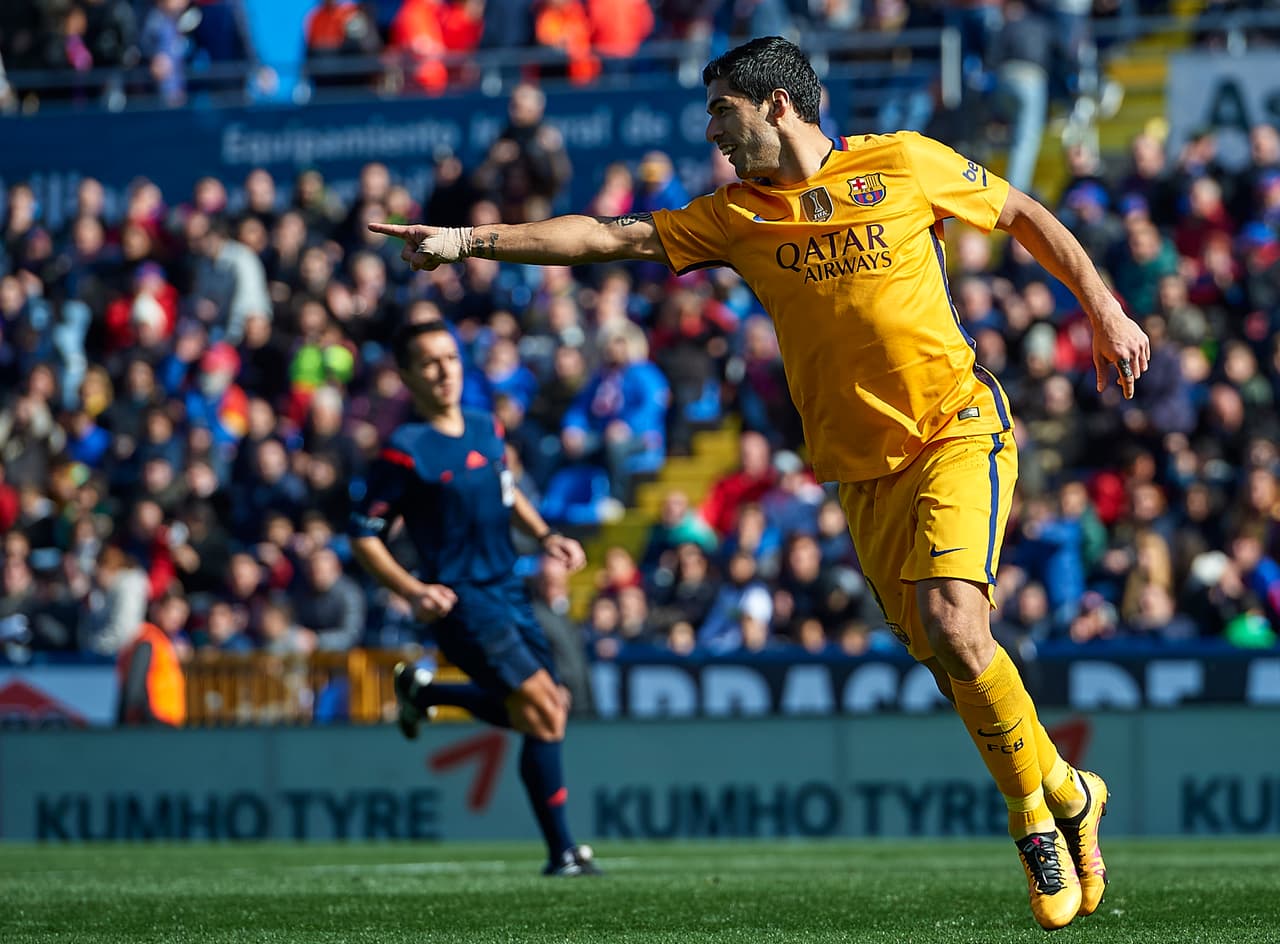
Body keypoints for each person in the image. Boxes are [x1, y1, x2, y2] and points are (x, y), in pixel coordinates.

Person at [370, 35, 1150, 927]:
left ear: (777, 105)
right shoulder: (736, 215)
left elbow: (1019, 214)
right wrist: (467, 240)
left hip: (954, 427)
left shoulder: (903, 161)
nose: (713, 133)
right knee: (947, 659)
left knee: (953, 621)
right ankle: (1066, 788)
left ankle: (1029, 821)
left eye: (722, 113)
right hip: (859, 474)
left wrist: (1104, 307)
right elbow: (601, 235)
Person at [348, 320, 600, 878]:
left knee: (547, 707)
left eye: (451, 359)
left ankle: (429, 693)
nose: (444, 371)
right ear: (409, 376)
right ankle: (562, 855)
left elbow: (507, 495)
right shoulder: (405, 450)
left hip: (509, 588)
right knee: (543, 706)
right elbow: (364, 535)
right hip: (462, 602)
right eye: (430, 363)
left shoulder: (487, 428)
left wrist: (546, 536)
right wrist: (413, 590)